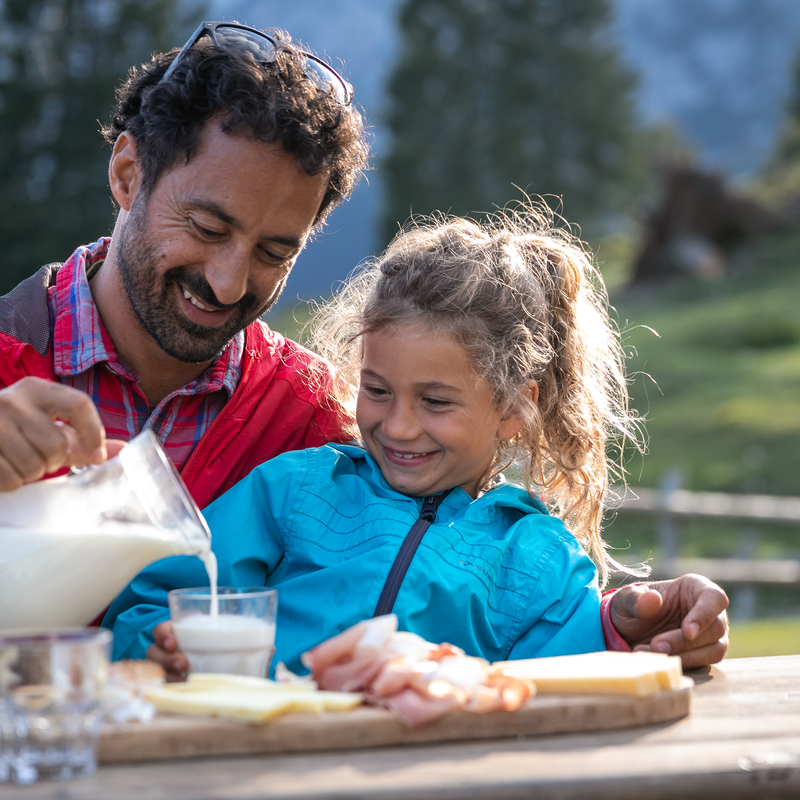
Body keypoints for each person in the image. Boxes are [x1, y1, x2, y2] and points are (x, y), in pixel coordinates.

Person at [0, 21, 728, 664]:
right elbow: (156, 606)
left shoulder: (316, 418)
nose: (228, 282)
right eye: (208, 228)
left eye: (273, 252)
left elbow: (547, 644)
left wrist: (633, 621)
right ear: (127, 174)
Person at [104, 204, 727, 677]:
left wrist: (625, 624)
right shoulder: (294, 489)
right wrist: (163, 643)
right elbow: (160, 595)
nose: (397, 426)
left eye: (434, 402)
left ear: (514, 408)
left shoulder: (535, 556)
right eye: (376, 390)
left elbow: (564, 673)